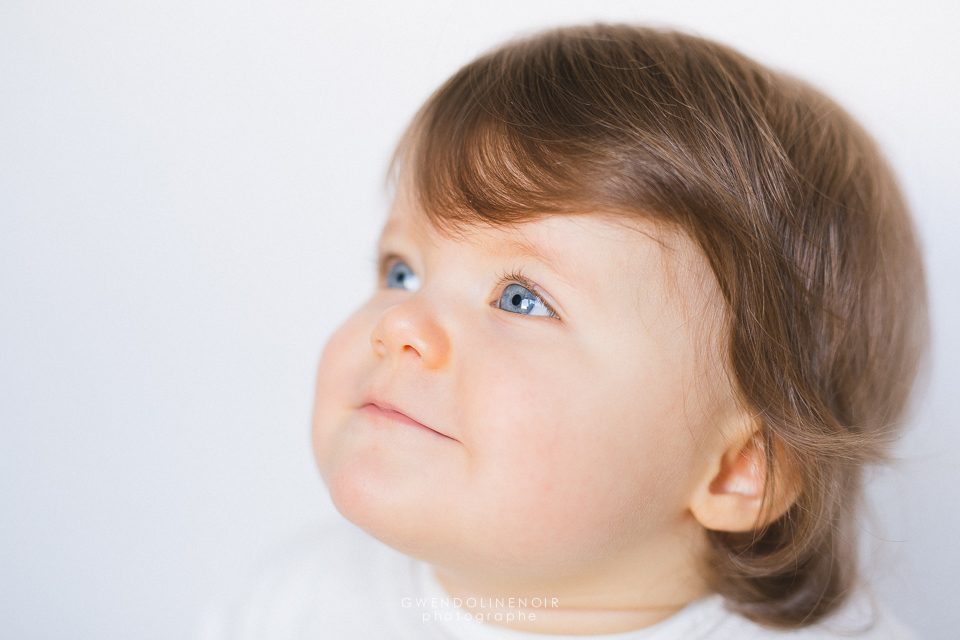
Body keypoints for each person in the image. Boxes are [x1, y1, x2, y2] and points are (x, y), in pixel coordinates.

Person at [201, 24, 927, 639]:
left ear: (740, 466)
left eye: (520, 298)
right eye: (402, 271)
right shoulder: (300, 606)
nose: (400, 324)